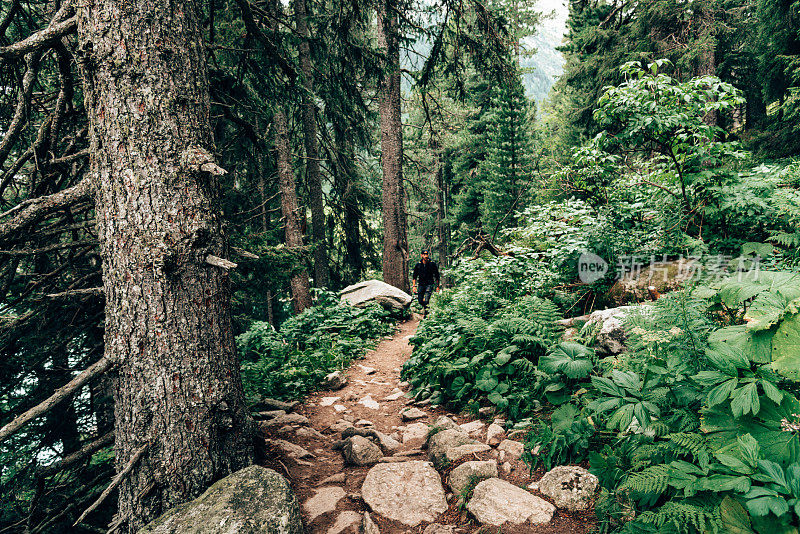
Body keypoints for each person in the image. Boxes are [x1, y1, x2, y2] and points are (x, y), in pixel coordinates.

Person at [411, 249, 440, 317]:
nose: (425, 256)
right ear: (421, 255)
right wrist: (414, 286)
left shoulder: (432, 264)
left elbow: (437, 276)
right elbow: (414, 276)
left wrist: (437, 286)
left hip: (429, 284)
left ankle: (426, 316)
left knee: (426, 300)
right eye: (424, 254)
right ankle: (427, 309)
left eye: (426, 254)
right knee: (420, 301)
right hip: (421, 284)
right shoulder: (418, 265)